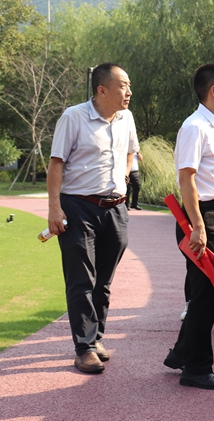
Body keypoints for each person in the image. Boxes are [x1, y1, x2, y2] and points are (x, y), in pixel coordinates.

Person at [46, 62, 138, 374]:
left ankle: (96, 337)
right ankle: (83, 347)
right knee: (81, 279)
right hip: (78, 206)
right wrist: (54, 208)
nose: (129, 91)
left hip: (116, 208)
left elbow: (130, 152)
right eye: (123, 85)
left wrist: (123, 179)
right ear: (101, 90)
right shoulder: (74, 116)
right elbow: (56, 163)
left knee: (105, 280)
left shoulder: (126, 118)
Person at [163, 63, 214, 390]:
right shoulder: (195, 127)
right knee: (206, 296)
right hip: (203, 218)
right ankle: (197, 368)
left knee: (205, 293)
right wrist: (198, 226)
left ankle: (181, 353)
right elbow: (187, 179)